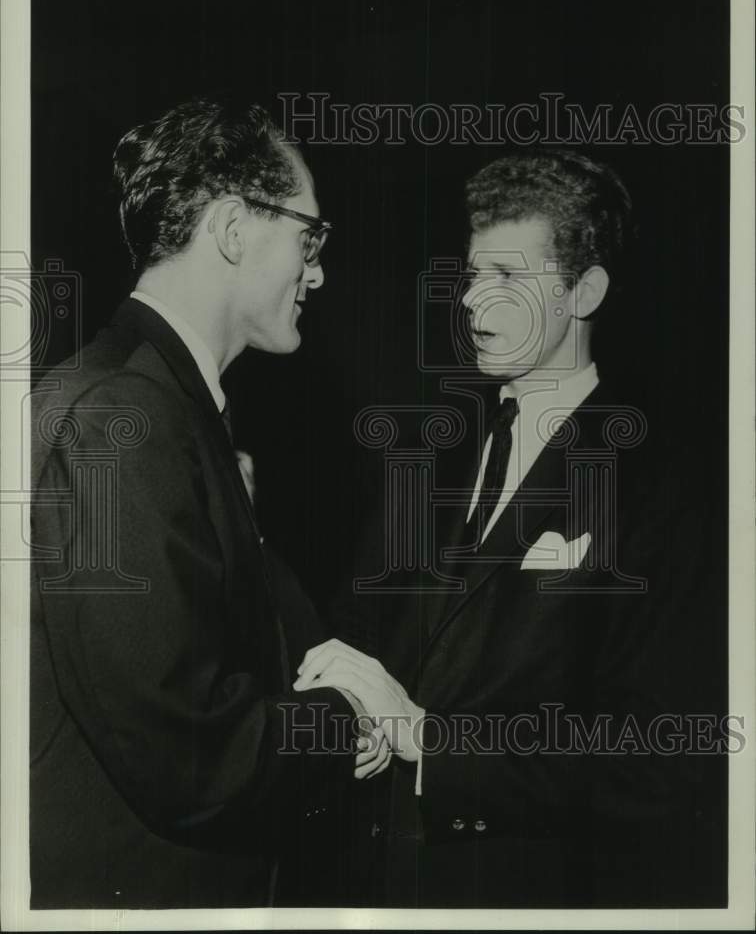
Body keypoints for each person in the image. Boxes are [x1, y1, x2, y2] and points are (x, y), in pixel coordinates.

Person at [295, 149, 727, 907]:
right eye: (471, 275)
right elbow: (358, 632)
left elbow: (658, 760)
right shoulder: (427, 457)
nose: (469, 300)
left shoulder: (664, 488)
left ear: (584, 292)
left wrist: (434, 744)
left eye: (507, 278)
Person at [29, 98, 389, 909]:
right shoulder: (122, 418)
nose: (320, 271)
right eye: (310, 237)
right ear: (233, 229)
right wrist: (345, 719)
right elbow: (189, 750)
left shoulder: (165, 407)